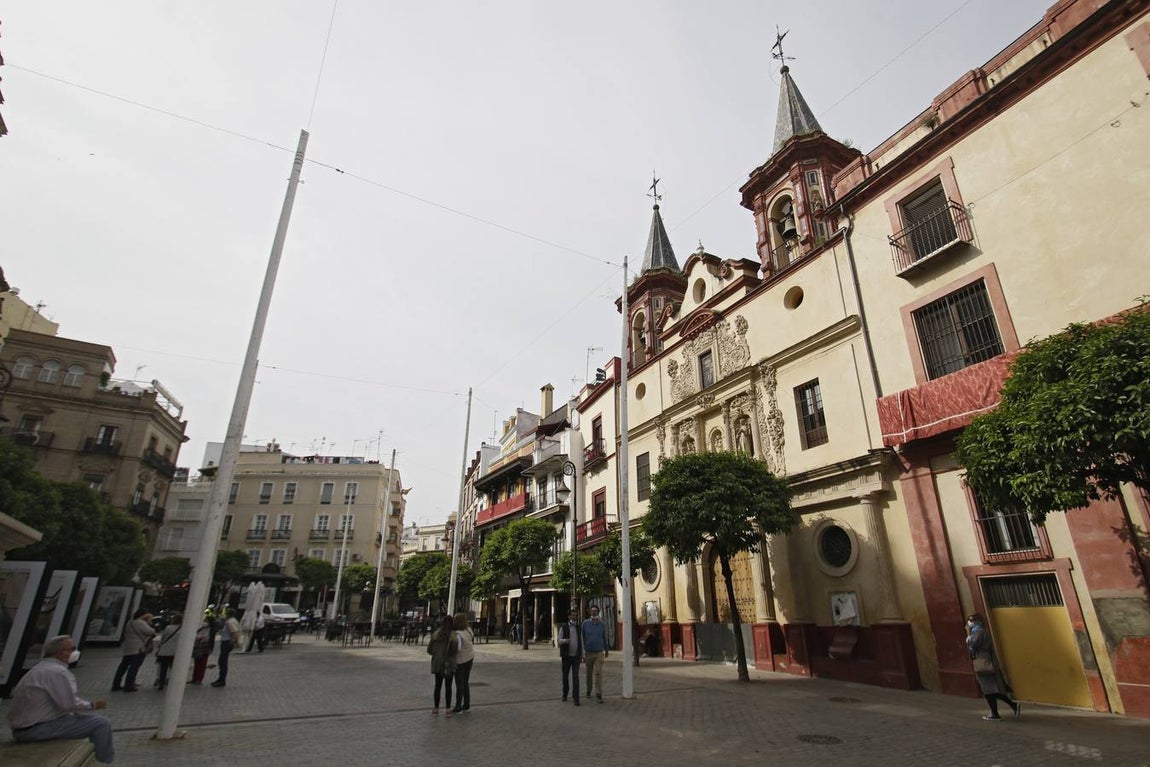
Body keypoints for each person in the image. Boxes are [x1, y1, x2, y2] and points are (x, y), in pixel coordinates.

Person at [7, 635, 114, 765]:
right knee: (101, 723)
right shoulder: (57, 672)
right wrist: (93, 705)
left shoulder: (41, 668)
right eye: (72, 648)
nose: (75, 652)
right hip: (35, 730)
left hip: (26, 727)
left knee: (85, 718)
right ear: (60, 653)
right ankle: (104, 762)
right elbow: (69, 704)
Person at [966, 613, 1020, 720]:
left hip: (983, 662)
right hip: (987, 661)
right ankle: (998, 711)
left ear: (977, 621)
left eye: (971, 620)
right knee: (991, 690)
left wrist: (968, 637)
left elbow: (973, 645)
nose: (969, 623)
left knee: (989, 690)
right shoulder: (982, 631)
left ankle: (1001, 711)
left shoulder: (978, 632)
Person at [111, 609, 155, 692]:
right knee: (134, 667)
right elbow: (151, 631)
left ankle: (116, 684)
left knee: (123, 667)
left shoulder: (129, 622)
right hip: (138, 648)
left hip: (128, 648)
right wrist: (150, 625)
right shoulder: (140, 623)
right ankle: (129, 685)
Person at [426, 615, 457, 716]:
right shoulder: (453, 636)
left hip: (437, 663)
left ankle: (436, 708)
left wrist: (436, 654)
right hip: (448, 663)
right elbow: (454, 650)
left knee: (437, 686)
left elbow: (429, 650)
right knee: (448, 687)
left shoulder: (435, 634)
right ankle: (448, 709)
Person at [582, 605, 609, 703]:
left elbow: (604, 637)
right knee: (589, 673)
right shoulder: (585, 624)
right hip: (589, 652)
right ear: (590, 612)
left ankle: (598, 693)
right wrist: (582, 652)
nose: (594, 612)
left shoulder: (602, 624)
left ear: (598, 612)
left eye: (595, 611)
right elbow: (582, 637)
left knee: (598, 672)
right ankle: (589, 690)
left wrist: (606, 650)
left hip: (599, 652)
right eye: (592, 611)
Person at [557, 609, 583, 705]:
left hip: (576, 656)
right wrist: (565, 641)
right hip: (566, 656)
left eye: (575, 615)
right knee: (565, 677)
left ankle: (576, 698)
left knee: (576, 677)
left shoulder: (578, 627)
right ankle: (565, 694)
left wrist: (582, 654)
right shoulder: (563, 627)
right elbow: (558, 641)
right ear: (569, 616)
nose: (574, 617)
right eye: (572, 615)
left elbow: (581, 641)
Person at [211, 608, 242, 687]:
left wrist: (232, 641)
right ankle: (221, 678)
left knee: (222, 661)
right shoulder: (234, 620)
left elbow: (233, 632)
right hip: (227, 641)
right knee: (223, 660)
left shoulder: (229, 622)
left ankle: (222, 679)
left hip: (226, 642)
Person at [451, 612, 475, 715]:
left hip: (461, 660)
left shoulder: (458, 634)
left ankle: (458, 706)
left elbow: (458, 648)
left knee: (459, 683)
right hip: (470, 657)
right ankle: (466, 705)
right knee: (465, 681)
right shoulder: (468, 630)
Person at [154, 612, 183, 690]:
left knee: (163, 668)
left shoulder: (168, 628)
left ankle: (161, 682)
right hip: (176, 651)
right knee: (174, 668)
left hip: (165, 651)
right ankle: (172, 681)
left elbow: (163, 638)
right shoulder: (183, 629)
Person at [190, 617, 212, 685]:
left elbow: (208, 638)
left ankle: (199, 679)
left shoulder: (211, 630)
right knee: (197, 663)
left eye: (206, 621)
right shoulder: (201, 628)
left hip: (204, 647)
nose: (204, 622)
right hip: (198, 647)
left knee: (202, 664)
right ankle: (194, 678)